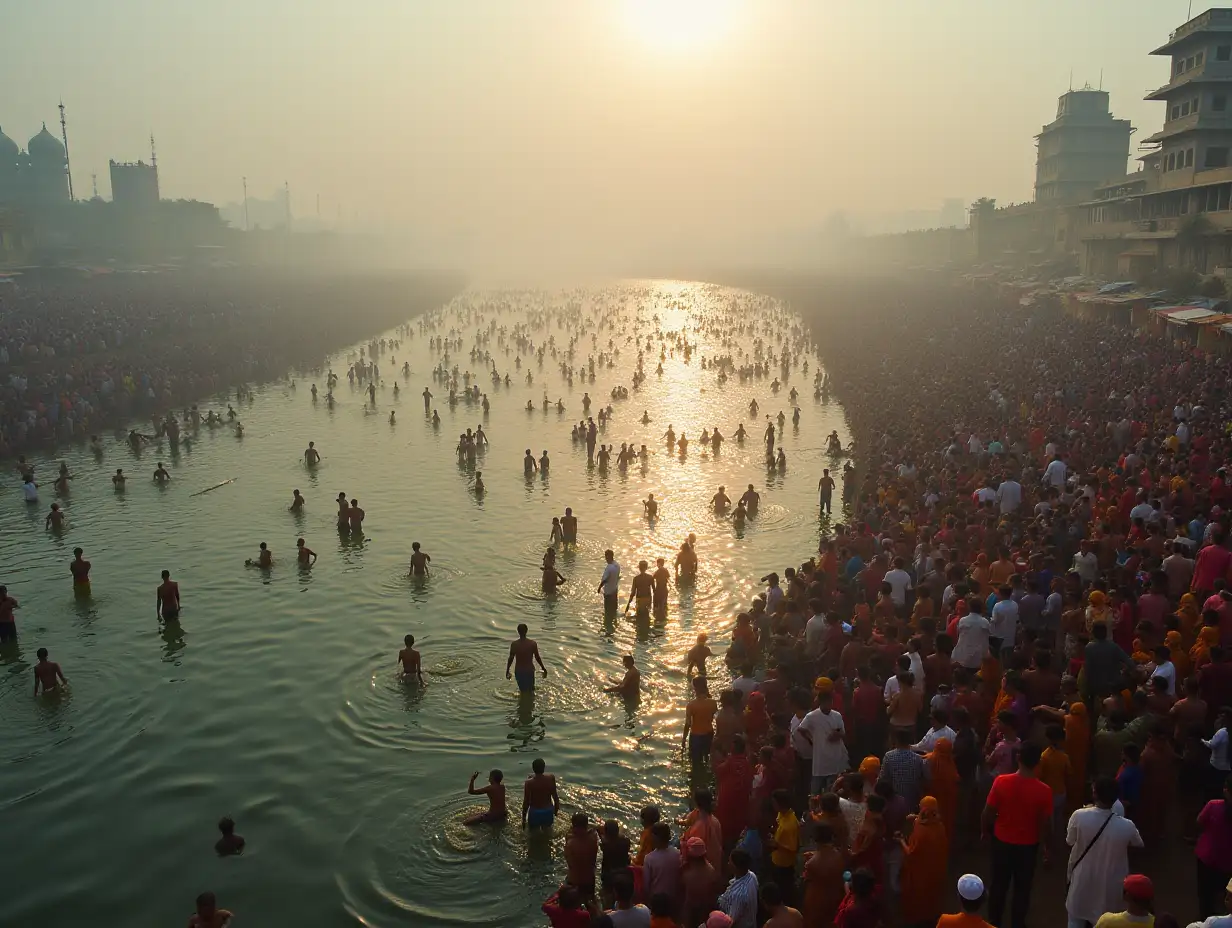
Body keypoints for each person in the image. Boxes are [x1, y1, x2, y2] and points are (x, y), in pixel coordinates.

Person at [982, 741, 1053, 928]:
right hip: (1028, 846)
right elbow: (1045, 824)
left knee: (998, 885)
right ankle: (1017, 923)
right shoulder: (1044, 791)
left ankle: (994, 921)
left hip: (1002, 842)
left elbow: (988, 813)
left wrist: (985, 832)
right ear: (1038, 762)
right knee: (1022, 889)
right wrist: (1045, 845)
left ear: (1018, 758)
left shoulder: (1001, 781)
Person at [1065, 776, 1144, 928]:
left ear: (1094, 794)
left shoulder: (1079, 816)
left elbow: (1069, 841)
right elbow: (1138, 844)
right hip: (1111, 885)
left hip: (1082, 880)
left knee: (1075, 920)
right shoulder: (1127, 826)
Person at [899, 795, 949, 926]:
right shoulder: (940, 826)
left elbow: (910, 853)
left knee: (918, 898)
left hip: (919, 873)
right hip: (936, 870)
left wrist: (901, 841)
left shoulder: (921, 830)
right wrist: (915, 818)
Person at [797, 689, 848, 794]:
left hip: (834, 758)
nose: (828, 704)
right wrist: (811, 739)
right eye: (826, 702)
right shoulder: (812, 716)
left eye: (830, 701)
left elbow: (843, 733)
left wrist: (836, 735)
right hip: (820, 760)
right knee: (815, 790)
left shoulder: (837, 715)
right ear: (821, 702)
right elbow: (801, 729)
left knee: (833, 789)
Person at [1197, 775, 1232, 919]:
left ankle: (1205, 919)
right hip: (1228, 862)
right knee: (1224, 894)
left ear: (1226, 790)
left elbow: (1200, 821)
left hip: (1207, 857)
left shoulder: (1213, 805)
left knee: (1205, 895)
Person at [802, 820, 846, 928]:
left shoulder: (811, 864)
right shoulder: (841, 857)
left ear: (815, 839)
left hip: (817, 904)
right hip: (836, 900)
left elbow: (808, 883)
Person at [765, 789, 799, 905]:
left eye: (774, 803)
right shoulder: (782, 814)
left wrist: (776, 844)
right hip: (776, 858)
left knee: (784, 889)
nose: (773, 805)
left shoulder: (789, 825)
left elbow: (792, 848)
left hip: (784, 864)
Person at [642, 823, 682, 914]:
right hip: (674, 897)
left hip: (657, 901)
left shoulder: (649, 858)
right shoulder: (678, 853)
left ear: (655, 838)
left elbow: (646, 886)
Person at [717, 847, 758, 928]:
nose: (728, 863)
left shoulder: (738, 895)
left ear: (736, 867)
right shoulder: (751, 875)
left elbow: (730, 921)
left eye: (730, 862)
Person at [683, 677, 718, 764]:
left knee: (695, 762)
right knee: (707, 758)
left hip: (696, 736)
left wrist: (684, 739)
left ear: (695, 689)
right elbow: (714, 716)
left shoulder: (691, 705)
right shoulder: (713, 703)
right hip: (709, 734)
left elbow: (688, 724)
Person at [507, 623, 548, 692]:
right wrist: (543, 668)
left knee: (522, 691)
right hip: (529, 670)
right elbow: (537, 657)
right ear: (527, 631)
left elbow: (511, 658)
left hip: (519, 671)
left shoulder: (514, 644)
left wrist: (507, 670)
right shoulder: (532, 644)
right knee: (531, 690)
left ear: (518, 631)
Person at [522, 757, 560, 828]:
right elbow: (555, 796)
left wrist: (523, 818)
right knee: (548, 833)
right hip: (548, 811)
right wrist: (556, 810)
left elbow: (526, 802)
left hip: (535, 812)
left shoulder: (529, 783)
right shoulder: (551, 778)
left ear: (533, 769)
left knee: (533, 834)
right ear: (544, 768)